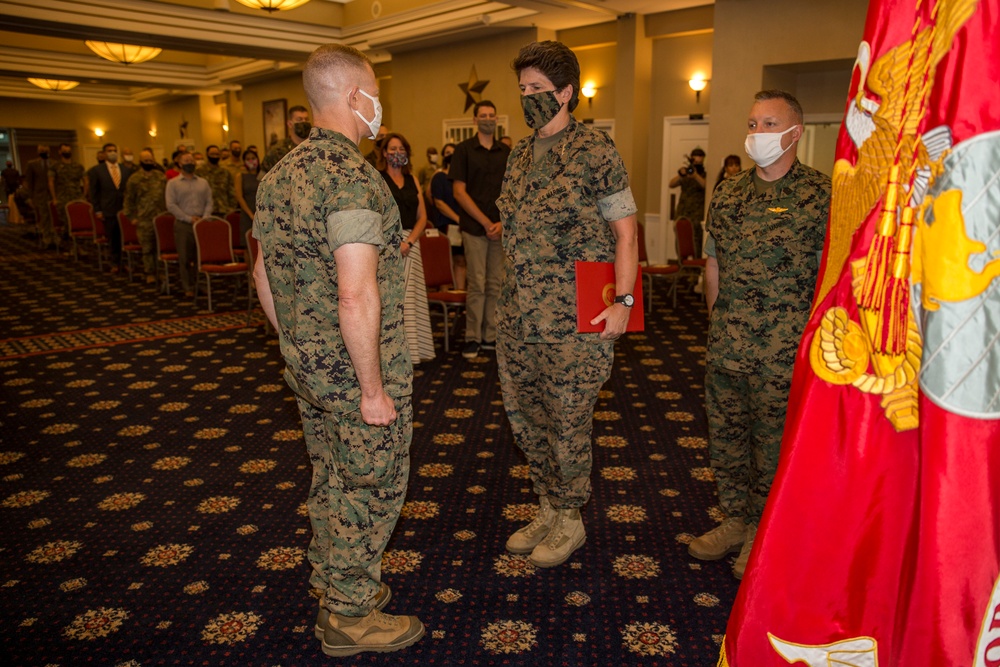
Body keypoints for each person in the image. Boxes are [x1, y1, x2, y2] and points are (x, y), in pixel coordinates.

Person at [253, 43, 424, 658]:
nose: (380, 103)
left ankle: (332, 580)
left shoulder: (278, 175)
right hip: (357, 371)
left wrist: (297, 344)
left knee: (330, 475)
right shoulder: (352, 178)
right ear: (355, 96)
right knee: (369, 485)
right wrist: (373, 390)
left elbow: (262, 277)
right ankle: (349, 616)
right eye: (375, 89)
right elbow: (357, 295)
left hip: (307, 368)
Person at [497, 41, 638, 569]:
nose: (528, 98)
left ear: (566, 94)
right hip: (519, 316)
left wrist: (623, 302)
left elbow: (626, 234)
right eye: (523, 90)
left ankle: (571, 518)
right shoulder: (518, 154)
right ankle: (547, 506)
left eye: (537, 90)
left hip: (575, 318)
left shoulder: (595, 151)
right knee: (526, 417)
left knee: (568, 419)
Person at [688, 89, 831, 580]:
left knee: (773, 447)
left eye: (768, 125)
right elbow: (713, 266)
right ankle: (735, 519)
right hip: (727, 344)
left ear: (795, 133)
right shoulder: (728, 193)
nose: (756, 134)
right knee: (726, 439)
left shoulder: (821, 195)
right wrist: (716, 326)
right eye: (752, 124)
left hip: (785, 351)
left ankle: (765, 533)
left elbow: (830, 276)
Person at [450, 100, 509, 359]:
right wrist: (485, 222)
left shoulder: (505, 153)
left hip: (500, 228)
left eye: (491, 115)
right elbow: (459, 192)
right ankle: (472, 337)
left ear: (496, 119)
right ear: (475, 120)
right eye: (482, 115)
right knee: (478, 284)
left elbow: (512, 193)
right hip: (475, 228)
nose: (487, 119)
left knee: (496, 284)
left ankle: (490, 336)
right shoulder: (463, 150)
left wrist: (502, 223)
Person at [378, 133, 435, 364]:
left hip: (412, 243)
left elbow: (423, 216)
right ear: (384, 153)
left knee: (413, 300)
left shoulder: (412, 179)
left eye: (401, 149)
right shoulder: (378, 178)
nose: (396, 153)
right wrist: (395, 243)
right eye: (392, 149)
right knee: (393, 300)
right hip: (387, 245)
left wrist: (409, 241)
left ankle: (415, 351)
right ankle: (393, 354)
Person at [165, 152, 212, 297]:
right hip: (183, 224)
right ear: (179, 164)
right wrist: (188, 218)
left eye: (191, 160)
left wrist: (204, 218)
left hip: (201, 224)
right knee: (185, 257)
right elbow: (171, 205)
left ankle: (201, 284)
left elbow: (209, 202)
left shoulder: (203, 182)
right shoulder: (172, 183)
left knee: (201, 257)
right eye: (186, 160)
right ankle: (188, 287)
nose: (189, 162)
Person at [123, 149, 167, 284]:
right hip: (143, 218)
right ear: (140, 162)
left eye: (150, 160)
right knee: (147, 248)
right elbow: (129, 199)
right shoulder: (134, 179)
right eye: (145, 161)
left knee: (159, 246)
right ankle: (149, 272)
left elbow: (167, 195)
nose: (148, 162)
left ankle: (160, 271)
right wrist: (132, 217)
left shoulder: (160, 176)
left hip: (159, 217)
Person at [89, 142, 132, 270]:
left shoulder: (125, 170)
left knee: (124, 237)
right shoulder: (96, 171)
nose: (112, 153)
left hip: (123, 208)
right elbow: (94, 192)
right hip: (107, 209)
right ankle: (115, 262)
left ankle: (124, 261)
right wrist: (97, 210)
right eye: (109, 151)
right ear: (104, 153)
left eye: (114, 150)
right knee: (112, 237)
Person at [429, 144, 466, 290]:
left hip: (461, 227)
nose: (452, 155)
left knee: (461, 261)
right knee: (445, 262)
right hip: (444, 225)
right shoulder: (439, 177)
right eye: (448, 152)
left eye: (454, 152)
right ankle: (445, 298)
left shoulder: (463, 178)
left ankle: (459, 295)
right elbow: (439, 203)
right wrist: (457, 218)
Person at [669, 147, 707, 258]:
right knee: (681, 239)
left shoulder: (704, 174)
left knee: (697, 241)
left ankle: (695, 269)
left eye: (700, 159)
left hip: (697, 213)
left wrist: (696, 176)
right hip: (682, 212)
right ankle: (682, 266)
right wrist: (682, 174)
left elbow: (706, 186)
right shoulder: (686, 174)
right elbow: (671, 184)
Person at [48, 143, 87, 237]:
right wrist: (54, 198)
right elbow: (51, 182)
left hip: (77, 196)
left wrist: (84, 195)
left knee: (79, 221)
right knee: (65, 222)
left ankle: (79, 243)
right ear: (60, 152)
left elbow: (86, 181)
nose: (67, 153)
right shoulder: (55, 166)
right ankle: (68, 243)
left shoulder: (78, 166)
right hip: (62, 197)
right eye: (65, 151)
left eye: (69, 151)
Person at [262, 105, 311, 172]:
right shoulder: (278, 150)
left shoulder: (314, 148)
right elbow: (263, 179)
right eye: (299, 119)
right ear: (290, 124)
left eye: (306, 119)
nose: (304, 122)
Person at [24, 145, 56, 248]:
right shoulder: (32, 164)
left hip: (53, 194)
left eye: (46, 150)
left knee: (54, 217)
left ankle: (55, 238)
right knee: (44, 217)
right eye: (42, 150)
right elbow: (29, 181)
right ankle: (47, 238)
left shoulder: (55, 163)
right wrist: (30, 196)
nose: (44, 152)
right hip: (39, 194)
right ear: (38, 152)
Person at [196, 144, 237, 216]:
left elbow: (231, 191)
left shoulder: (225, 172)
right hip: (205, 211)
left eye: (217, 154)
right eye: (212, 154)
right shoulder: (199, 172)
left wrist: (232, 208)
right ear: (207, 154)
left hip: (223, 209)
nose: (214, 156)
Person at [234, 148, 261, 243]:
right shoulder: (240, 176)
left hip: (261, 212)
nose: (251, 161)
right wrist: (250, 214)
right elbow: (239, 197)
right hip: (247, 213)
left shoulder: (262, 175)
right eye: (248, 159)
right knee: (247, 243)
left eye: (253, 158)